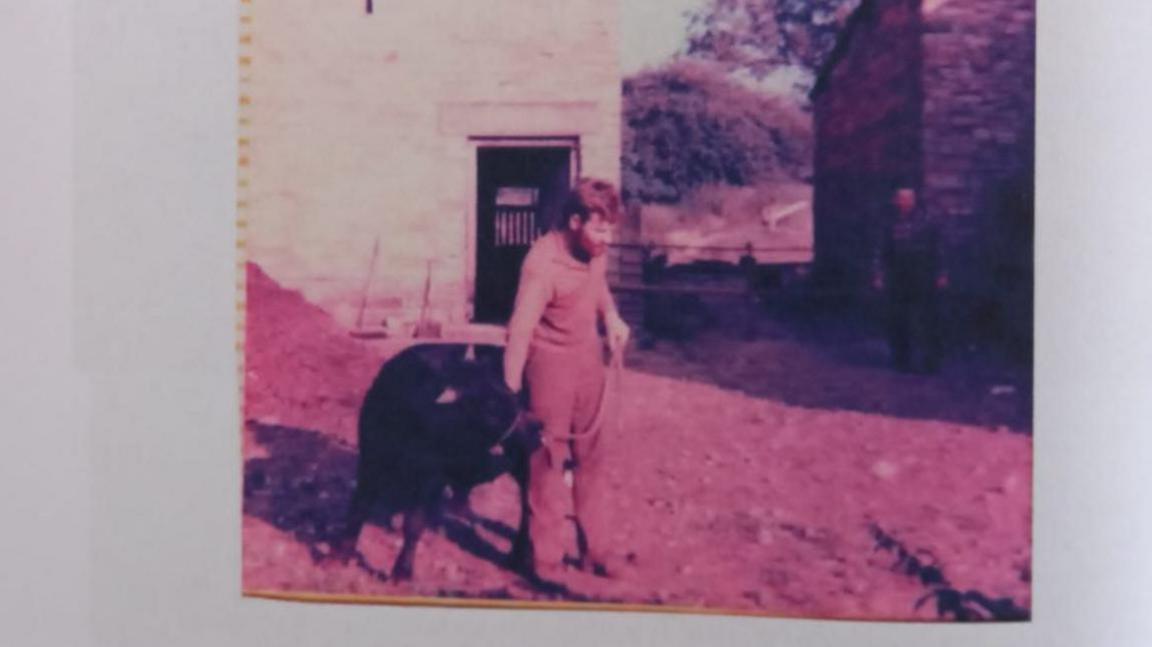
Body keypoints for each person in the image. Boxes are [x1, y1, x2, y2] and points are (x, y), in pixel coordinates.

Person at [502, 178, 631, 581]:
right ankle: (545, 558)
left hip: (588, 362)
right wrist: (511, 395)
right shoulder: (542, 264)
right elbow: (519, 330)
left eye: (611, 230)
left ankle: (596, 550)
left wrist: (611, 317)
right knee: (547, 462)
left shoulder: (596, 250)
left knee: (593, 458)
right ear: (575, 221)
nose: (606, 239)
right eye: (599, 229)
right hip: (548, 367)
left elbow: (599, 286)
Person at [873, 187, 949, 373]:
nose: (905, 202)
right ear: (895, 201)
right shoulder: (888, 223)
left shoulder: (928, 220)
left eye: (908, 199)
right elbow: (880, 250)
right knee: (898, 318)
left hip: (923, 273)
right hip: (898, 273)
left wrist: (942, 273)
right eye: (901, 199)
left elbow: (939, 249)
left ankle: (931, 361)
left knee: (927, 318)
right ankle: (901, 359)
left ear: (915, 201)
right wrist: (878, 274)